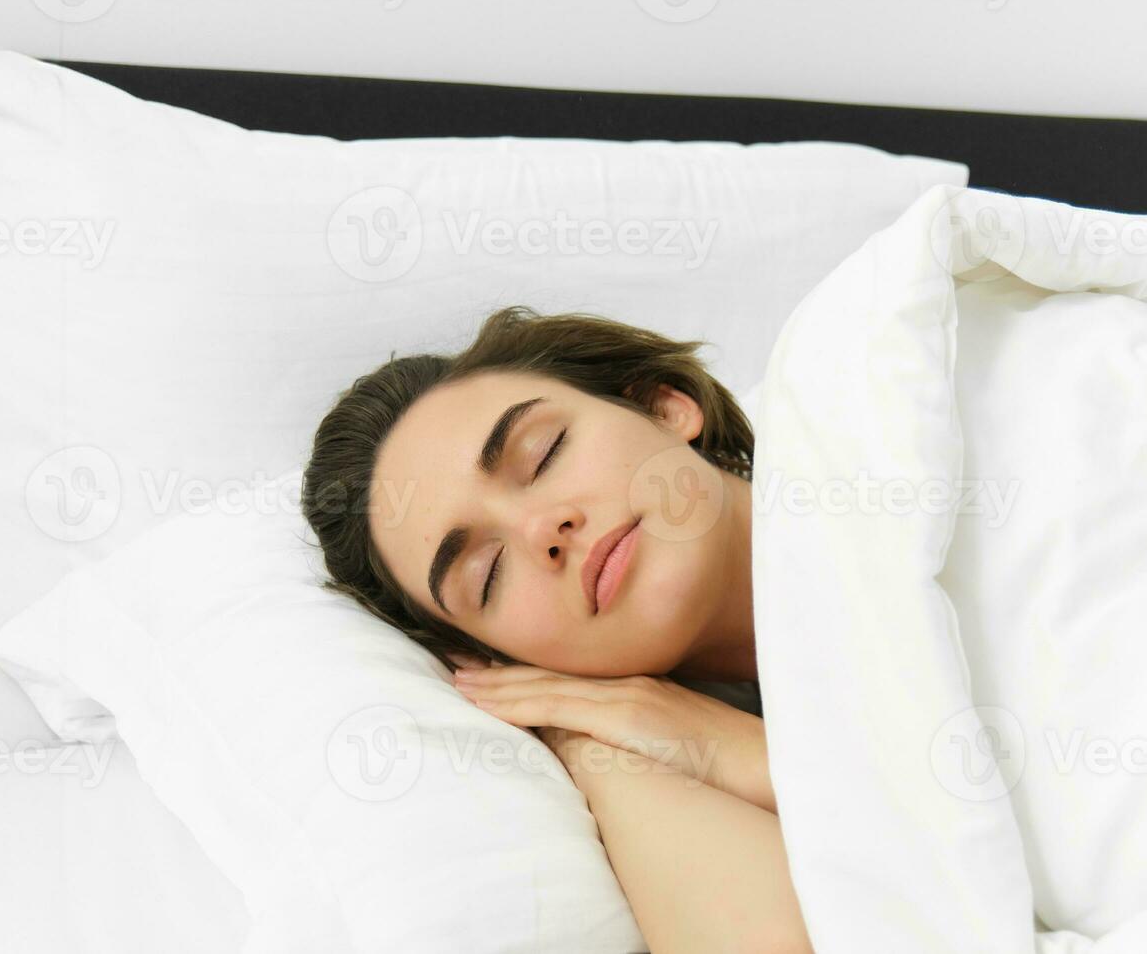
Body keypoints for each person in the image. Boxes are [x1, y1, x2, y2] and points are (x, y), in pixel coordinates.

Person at [302, 306, 808, 953]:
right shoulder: (657, 728)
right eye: (486, 575)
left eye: (542, 455)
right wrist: (580, 739)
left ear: (661, 406)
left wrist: (737, 749)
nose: (542, 529)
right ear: (502, 659)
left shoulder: (890, 412)